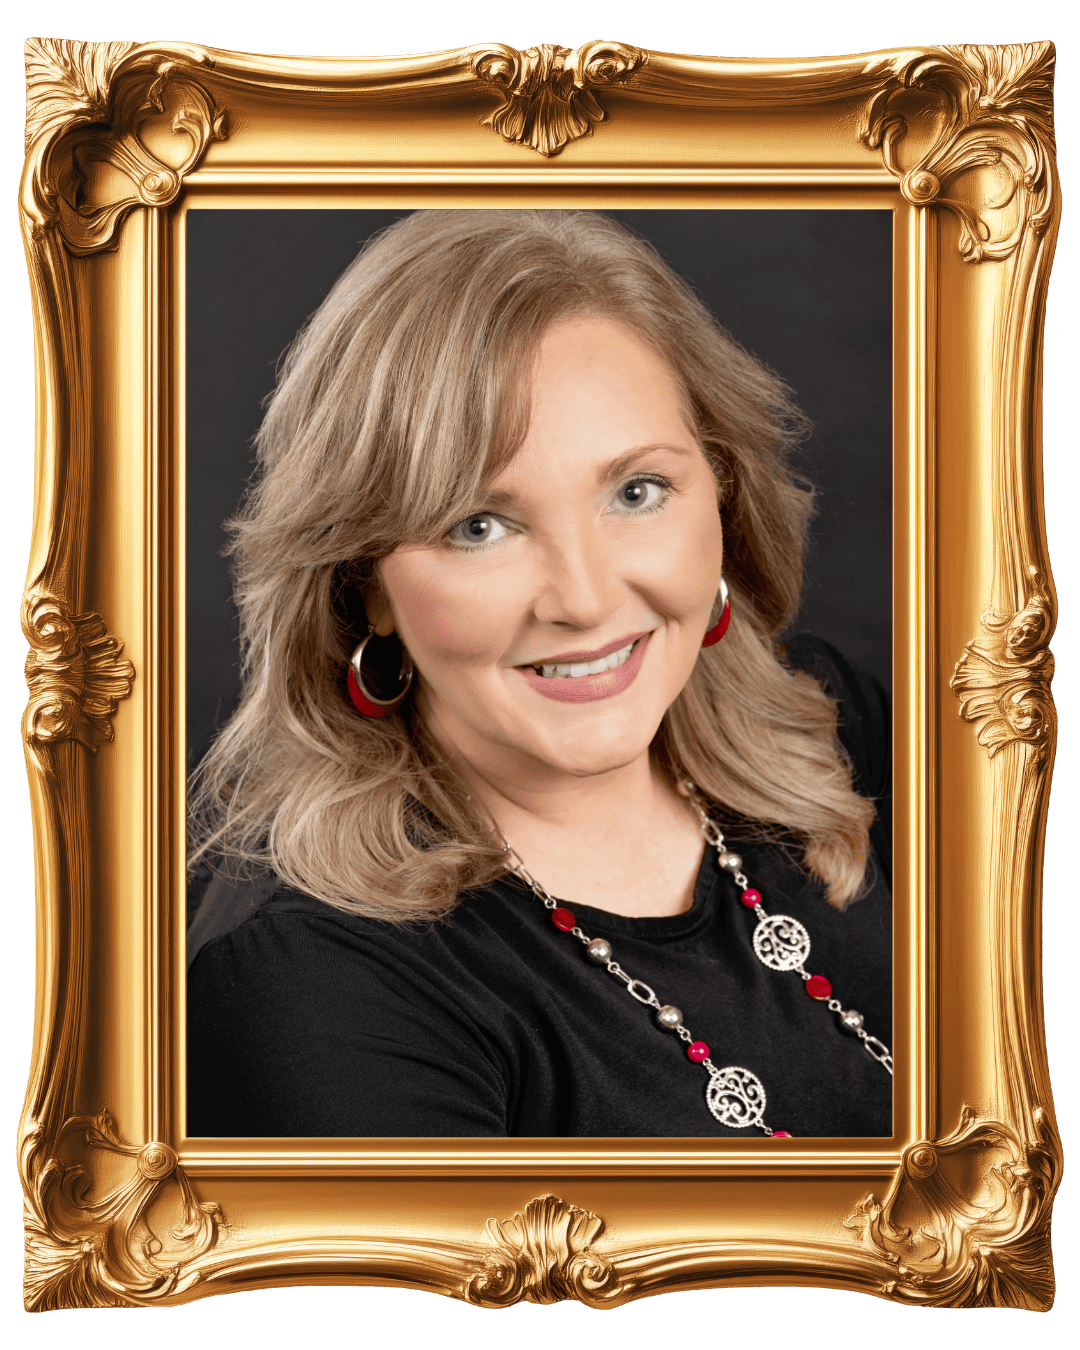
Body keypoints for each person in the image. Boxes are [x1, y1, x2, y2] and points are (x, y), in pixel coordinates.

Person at [187, 209, 892, 1139]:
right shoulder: (308, 985)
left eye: (637, 492)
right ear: (364, 585)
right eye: (478, 524)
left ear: (723, 492)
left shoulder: (835, 719)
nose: (588, 599)